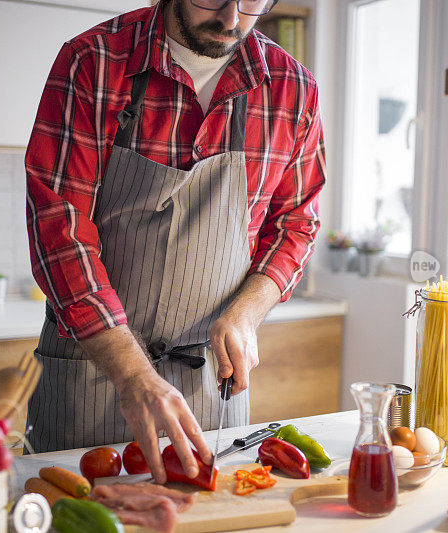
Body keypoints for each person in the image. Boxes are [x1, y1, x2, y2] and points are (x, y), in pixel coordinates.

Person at [25, 0, 326, 484]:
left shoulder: (293, 89)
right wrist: (133, 373)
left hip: (211, 382)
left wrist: (247, 313)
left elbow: (296, 224)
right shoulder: (94, 61)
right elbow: (59, 230)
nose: (232, 19)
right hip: (94, 374)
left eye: (252, 1)